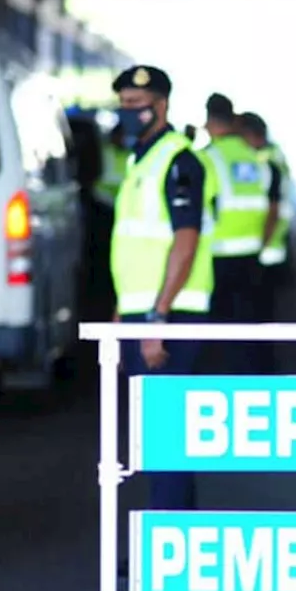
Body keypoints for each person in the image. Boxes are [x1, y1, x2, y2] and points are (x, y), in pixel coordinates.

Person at [109, 65, 216, 519]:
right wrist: (120, 313)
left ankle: (168, 554)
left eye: (138, 105)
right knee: (155, 438)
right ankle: (174, 546)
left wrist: (157, 319)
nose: (130, 113)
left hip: (170, 315)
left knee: (164, 437)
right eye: (125, 106)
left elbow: (186, 241)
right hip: (143, 312)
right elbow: (135, 246)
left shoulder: (180, 159)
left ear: (162, 104)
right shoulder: (141, 159)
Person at [199, 94, 269, 374]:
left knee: (220, 331)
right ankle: (252, 379)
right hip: (252, 253)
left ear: (210, 121)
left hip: (218, 255)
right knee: (249, 326)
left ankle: (224, 381)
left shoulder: (208, 158)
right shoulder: (255, 159)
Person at [236, 111, 289, 374]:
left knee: (256, 320)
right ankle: (261, 367)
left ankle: (259, 369)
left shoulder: (265, 162)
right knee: (258, 320)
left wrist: (261, 244)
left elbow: (274, 210)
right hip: (263, 252)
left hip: (261, 253)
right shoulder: (267, 161)